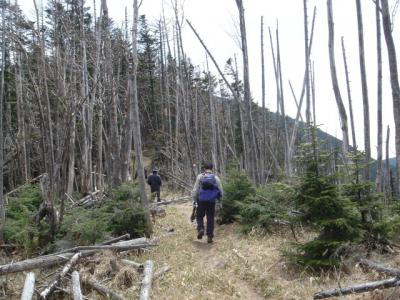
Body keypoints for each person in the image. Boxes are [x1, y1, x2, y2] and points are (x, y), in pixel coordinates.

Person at [191, 162, 223, 243]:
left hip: (201, 200)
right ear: (212, 168)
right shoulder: (216, 178)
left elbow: (195, 190)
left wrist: (194, 199)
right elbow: (221, 191)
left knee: (199, 216)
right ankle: (209, 236)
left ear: (204, 168)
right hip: (211, 201)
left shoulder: (200, 177)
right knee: (210, 217)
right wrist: (220, 201)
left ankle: (201, 228)